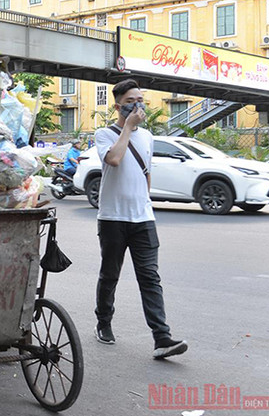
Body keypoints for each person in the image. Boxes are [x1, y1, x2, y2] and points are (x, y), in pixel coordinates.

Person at [93, 79, 187, 359]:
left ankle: (162, 338)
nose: (138, 105)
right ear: (118, 105)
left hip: (143, 220)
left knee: (150, 279)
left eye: (141, 100)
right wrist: (128, 128)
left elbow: (146, 170)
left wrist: (144, 200)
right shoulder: (104, 134)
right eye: (132, 101)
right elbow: (115, 159)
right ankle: (103, 322)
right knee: (110, 275)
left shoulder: (147, 137)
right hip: (112, 218)